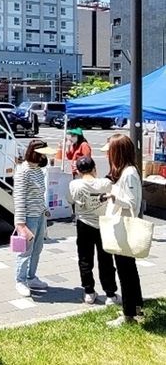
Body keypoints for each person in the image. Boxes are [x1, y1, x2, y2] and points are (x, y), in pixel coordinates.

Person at [102, 134, 144, 327]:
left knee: (125, 271)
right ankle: (135, 307)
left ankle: (129, 314)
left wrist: (113, 197)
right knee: (129, 269)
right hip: (123, 227)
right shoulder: (127, 171)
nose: (107, 155)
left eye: (110, 151)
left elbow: (132, 203)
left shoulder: (128, 173)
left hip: (125, 229)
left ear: (117, 151)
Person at [67, 156, 120, 306]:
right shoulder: (105, 183)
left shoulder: (74, 184)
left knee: (85, 258)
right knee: (106, 259)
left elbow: (70, 200)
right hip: (103, 223)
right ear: (94, 168)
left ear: (78, 171)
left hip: (84, 224)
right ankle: (110, 294)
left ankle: (89, 291)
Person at [13, 140, 51, 298]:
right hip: (28, 217)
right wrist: (20, 224)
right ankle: (20, 280)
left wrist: (45, 209)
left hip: (39, 214)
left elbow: (40, 193)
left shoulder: (39, 170)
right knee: (25, 251)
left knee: (37, 248)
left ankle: (31, 277)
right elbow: (19, 198)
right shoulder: (23, 171)